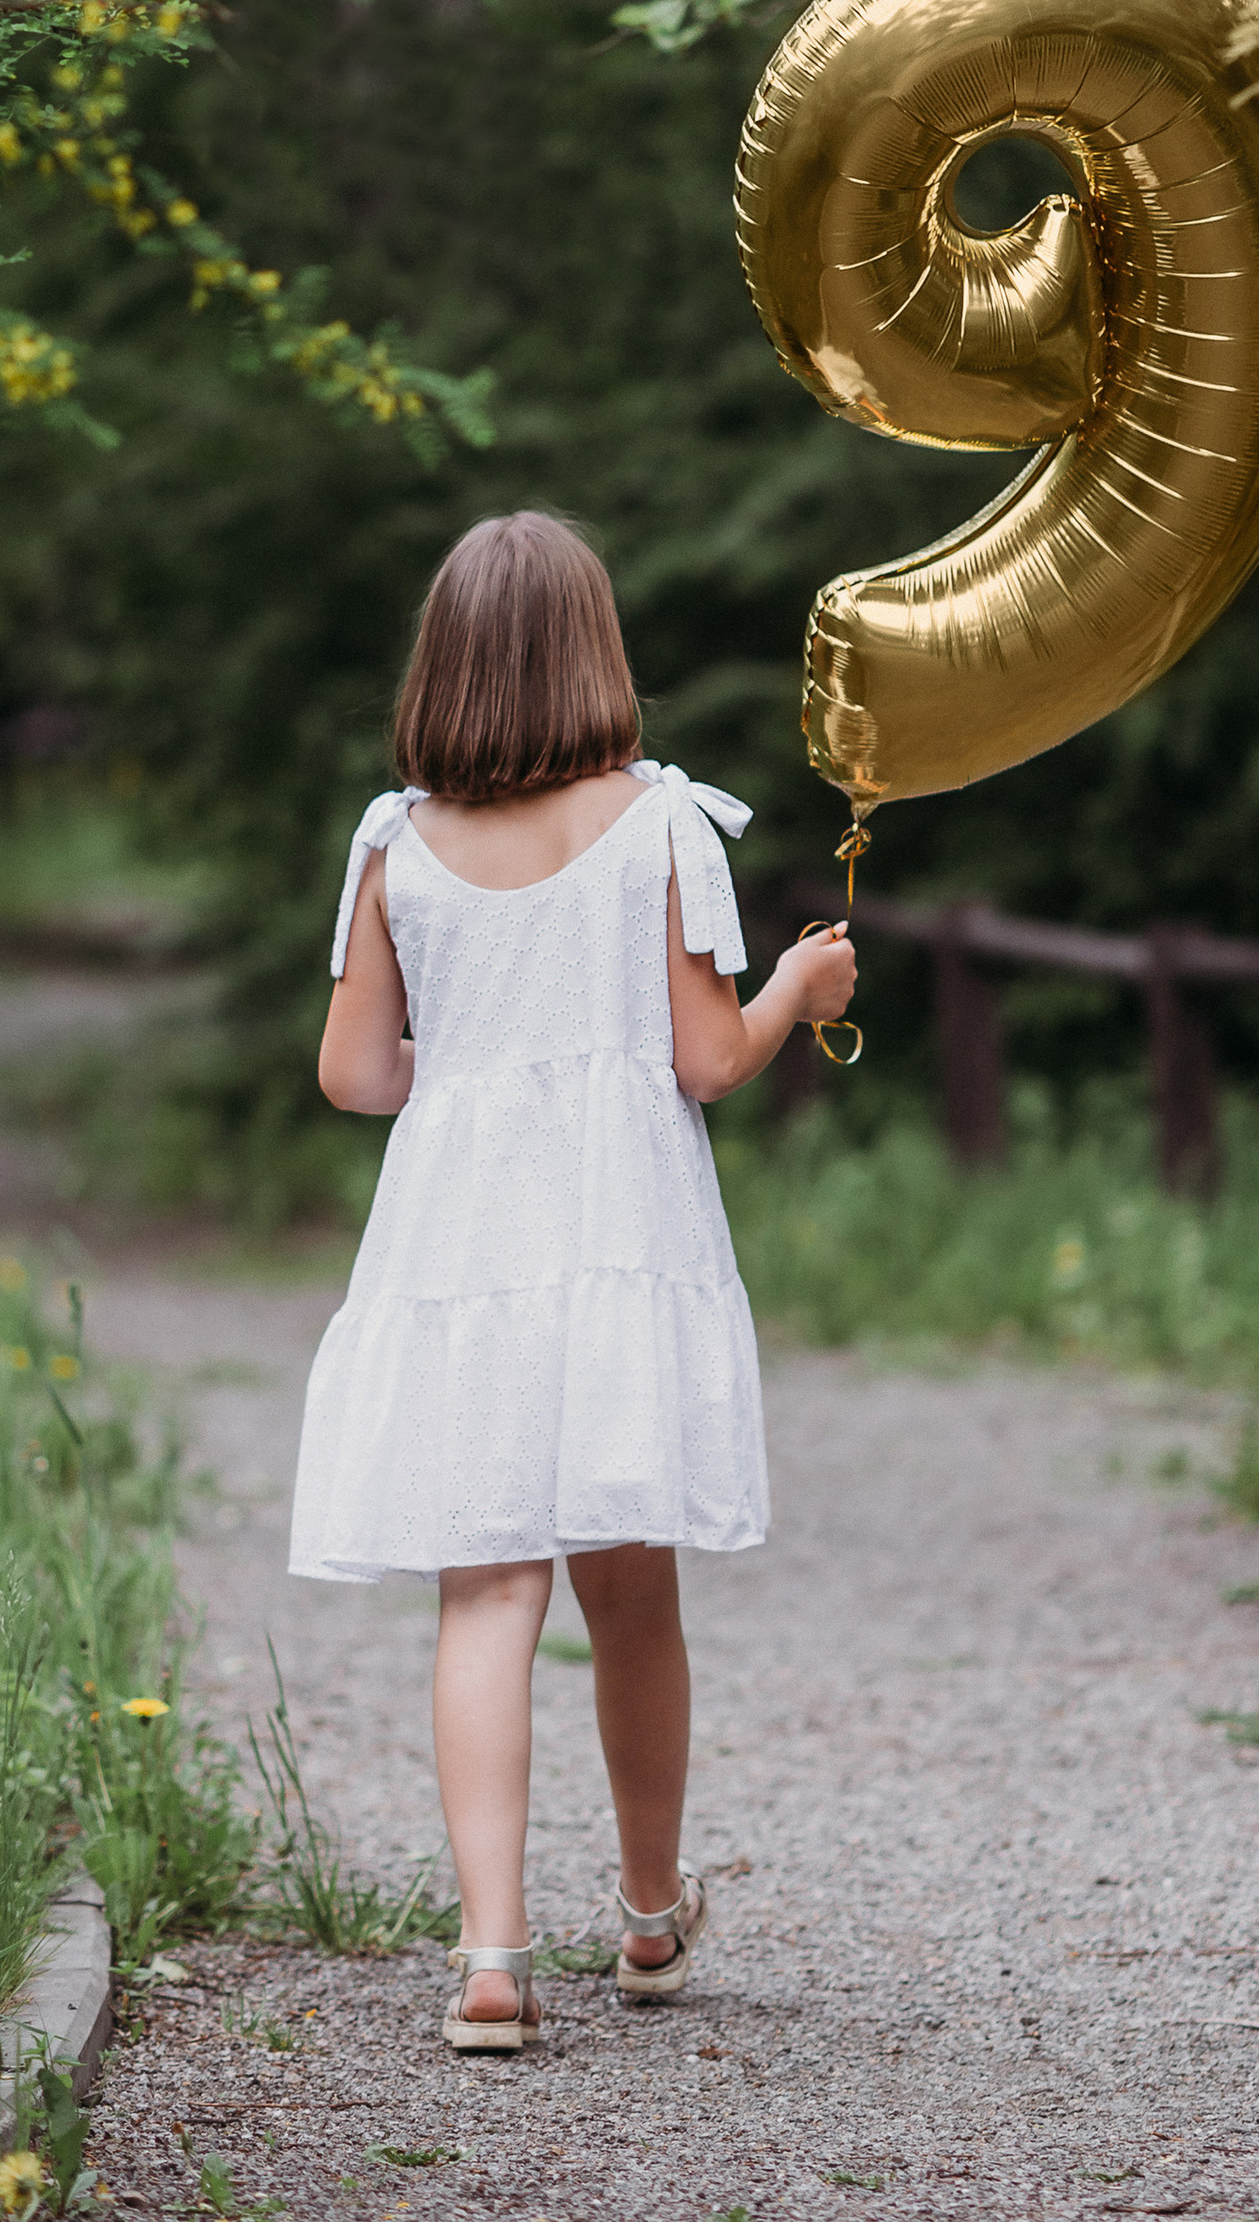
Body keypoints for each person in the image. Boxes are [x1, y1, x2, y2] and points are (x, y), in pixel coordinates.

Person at [289, 509, 857, 2057]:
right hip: (616, 1238)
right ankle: (652, 1914)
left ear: (445, 666)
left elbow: (354, 1074)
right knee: (630, 1587)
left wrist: (480, 1061)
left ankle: (491, 1956)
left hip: (461, 1242)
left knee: (486, 1588)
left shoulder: (393, 844)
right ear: (597, 652)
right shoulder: (664, 824)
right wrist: (799, 988)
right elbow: (708, 1060)